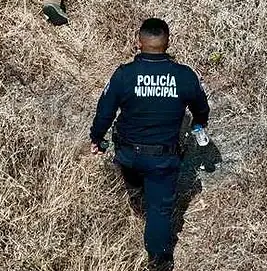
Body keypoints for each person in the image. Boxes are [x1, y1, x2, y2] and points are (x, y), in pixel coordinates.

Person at [90, 18, 210, 271]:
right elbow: (201, 109)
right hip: (162, 159)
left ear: (138, 42)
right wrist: (199, 124)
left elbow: (104, 112)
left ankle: (136, 199)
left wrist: (97, 138)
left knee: (135, 182)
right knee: (160, 210)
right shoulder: (185, 76)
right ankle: (159, 261)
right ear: (168, 43)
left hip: (127, 154)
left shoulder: (124, 75)